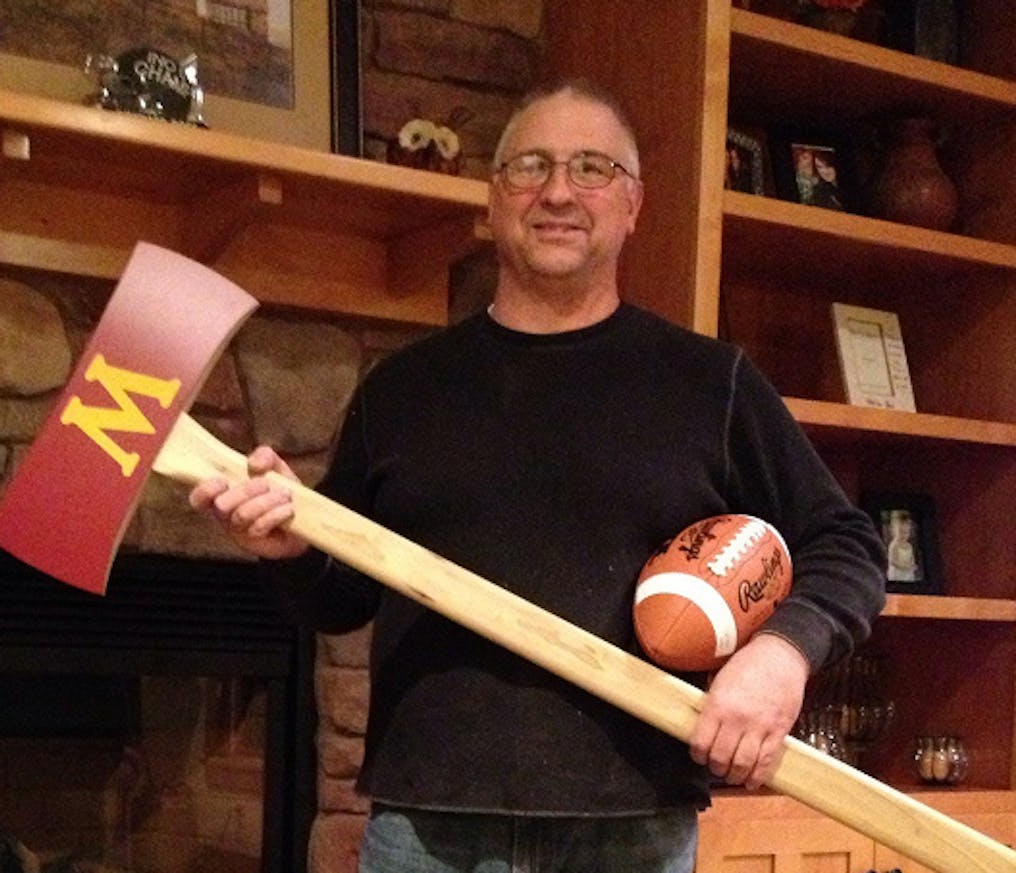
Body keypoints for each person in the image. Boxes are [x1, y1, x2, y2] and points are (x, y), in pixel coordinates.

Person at [190, 78, 887, 873]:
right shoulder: (404, 390)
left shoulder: (709, 384)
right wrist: (288, 548)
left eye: (592, 168)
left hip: (633, 828)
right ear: (492, 202)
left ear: (633, 206)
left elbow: (847, 544)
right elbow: (341, 598)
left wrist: (782, 655)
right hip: (427, 828)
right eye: (530, 166)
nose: (558, 191)